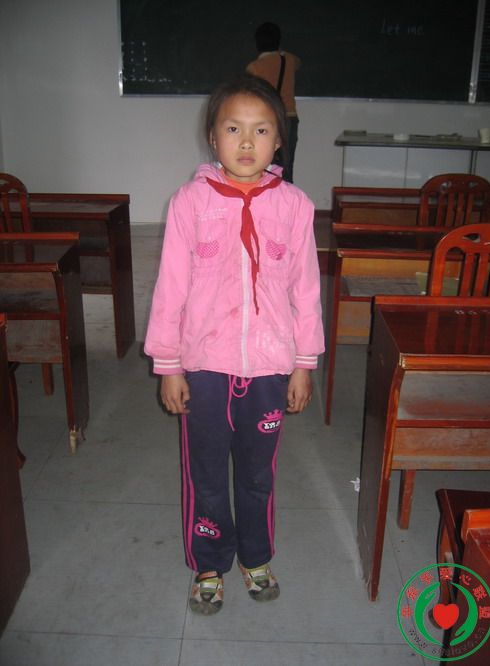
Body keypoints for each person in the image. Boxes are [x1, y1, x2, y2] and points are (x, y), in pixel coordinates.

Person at [144, 74, 324, 615]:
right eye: (233, 129)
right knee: (205, 475)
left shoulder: (295, 206)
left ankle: (256, 556)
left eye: (261, 130)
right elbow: (170, 287)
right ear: (213, 137)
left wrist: (304, 363)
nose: (247, 142)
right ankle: (208, 562)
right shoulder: (189, 203)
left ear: (279, 141)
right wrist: (169, 365)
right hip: (203, 367)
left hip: (269, 369)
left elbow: (306, 289)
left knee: (257, 474)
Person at [246, 22, 301, 183]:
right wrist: (281, 54)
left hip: (266, 119)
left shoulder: (254, 67)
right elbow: (299, 63)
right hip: (288, 117)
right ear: (278, 41)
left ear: (257, 43)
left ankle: (266, 196)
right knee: (286, 167)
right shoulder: (289, 59)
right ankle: (287, 197)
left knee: (265, 165)